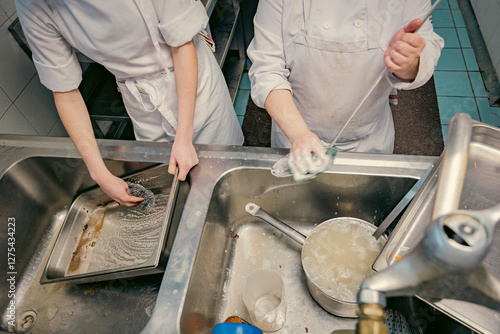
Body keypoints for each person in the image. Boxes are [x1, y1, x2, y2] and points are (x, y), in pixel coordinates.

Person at [15, 0, 244, 205]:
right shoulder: (31, 4)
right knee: (170, 183)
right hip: (141, 99)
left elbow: (182, 45)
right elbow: (65, 90)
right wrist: (99, 174)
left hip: (192, 81)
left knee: (225, 170)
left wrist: (184, 137)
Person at [247, 0, 444, 174]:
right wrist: (299, 134)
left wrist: (409, 65)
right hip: (293, 135)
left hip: (370, 141)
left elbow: (425, 43)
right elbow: (267, 68)